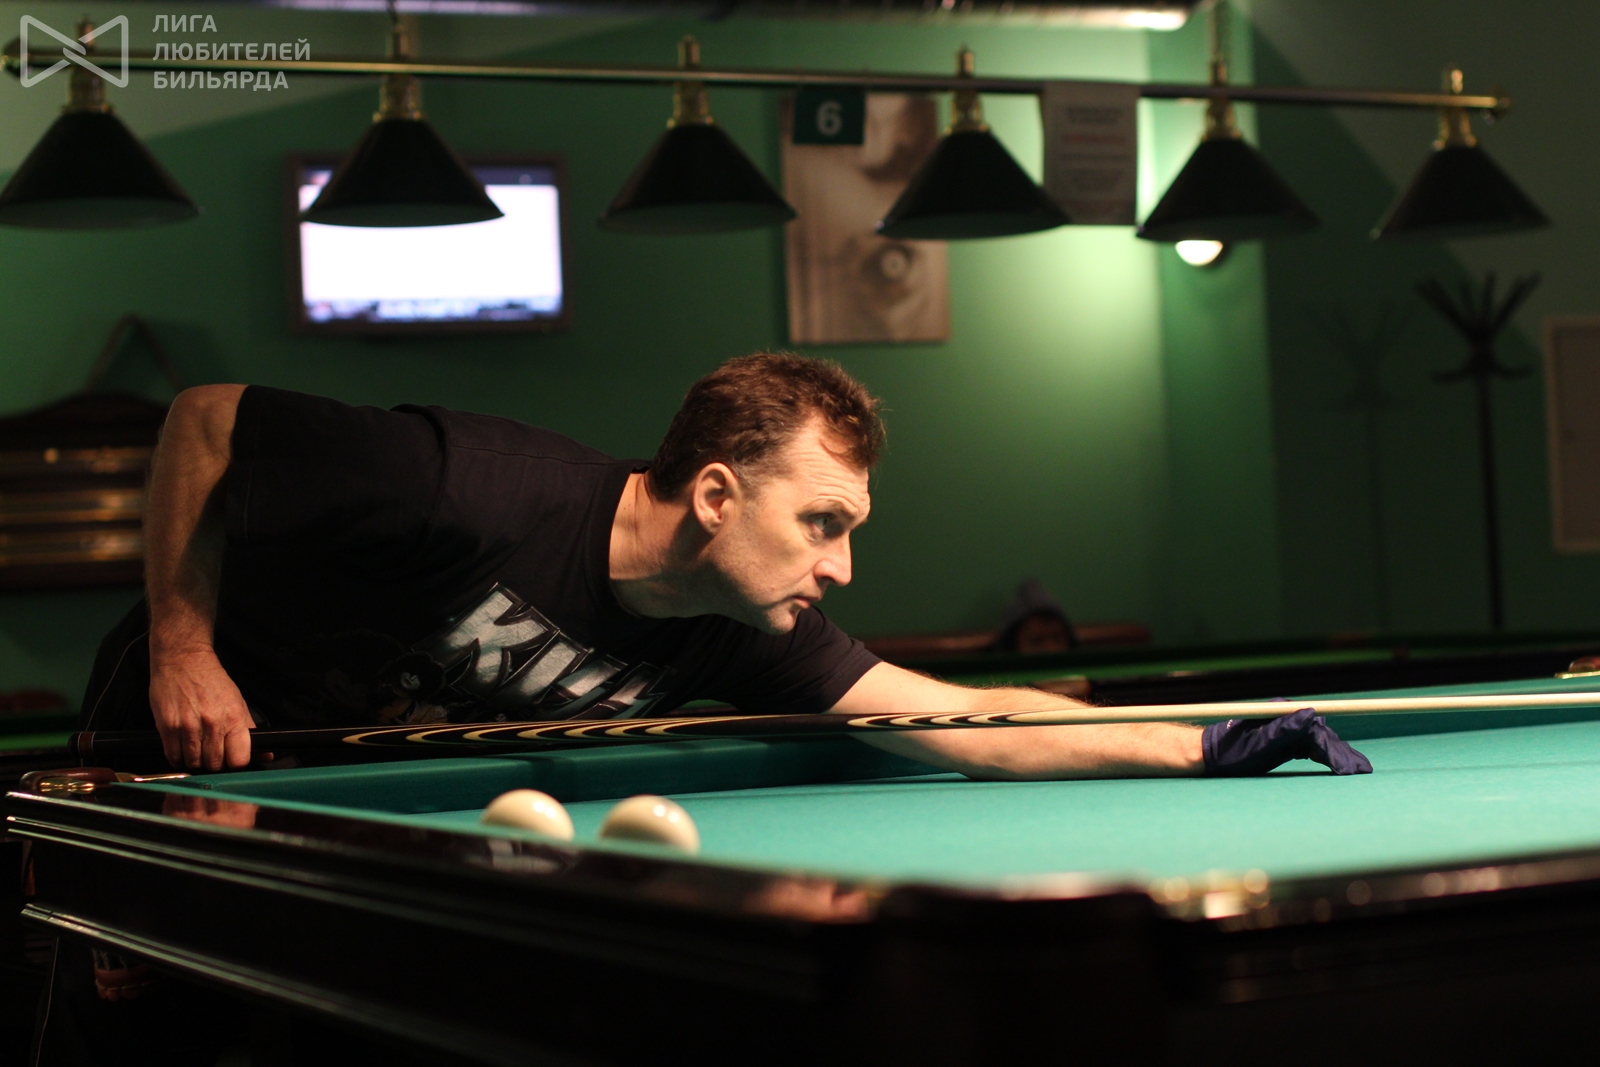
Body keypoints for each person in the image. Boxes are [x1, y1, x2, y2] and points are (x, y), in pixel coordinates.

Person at [85, 351, 1367, 782]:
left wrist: (1203, 742)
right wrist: (184, 648)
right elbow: (207, 419)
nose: (841, 566)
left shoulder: (740, 621)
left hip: (342, 799)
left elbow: (969, 719)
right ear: (713, 495)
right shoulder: (467, 483)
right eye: (822, 522)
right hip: (176, 740)